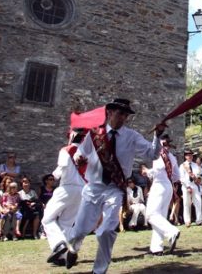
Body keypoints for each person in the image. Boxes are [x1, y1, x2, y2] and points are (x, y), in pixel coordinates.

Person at [65, 98, 164, 273]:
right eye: (120, 113)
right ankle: (73, 248)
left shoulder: (132, 136)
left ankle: (99, 270)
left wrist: (157, 136)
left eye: (126, 115)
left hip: (115, 188)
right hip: (94, 186)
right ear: (110, 113)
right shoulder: (95, 134)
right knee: (80, 229)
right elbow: (80, 152)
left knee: (107, 231)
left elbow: (152, 154)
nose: (123, 118)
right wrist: (79, 157)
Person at [42, 128, 88, 267]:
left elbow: (61, 168)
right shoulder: (88, 153)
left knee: (47, 219)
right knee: (66, 223)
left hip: (67, 188)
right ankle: (63, 256)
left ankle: (58, 245)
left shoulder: (66, 150)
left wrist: (53, 175)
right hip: (82, 190)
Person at [142, 133, 180, 256]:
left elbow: (158, 168)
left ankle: (171, 231)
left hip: (159, 185)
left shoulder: (160, 155)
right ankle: (157, 248)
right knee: (159, 217)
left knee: (151, 215)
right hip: (168, 185)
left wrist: (147, 171)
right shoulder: (172, 157)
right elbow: (176, 176)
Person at [180, 148, 202, 227]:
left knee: (198, 202)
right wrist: (187, 186)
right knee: (186, 204)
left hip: (194, 184)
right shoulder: (182, 166)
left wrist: (199, 166)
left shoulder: (195, 165)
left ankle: (199, 220)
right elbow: (181, 178)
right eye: (188, 155)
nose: (190, 157)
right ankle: (187, 221)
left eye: (191, 155)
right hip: (186, 185)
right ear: (185, 156)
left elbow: (199, 173)